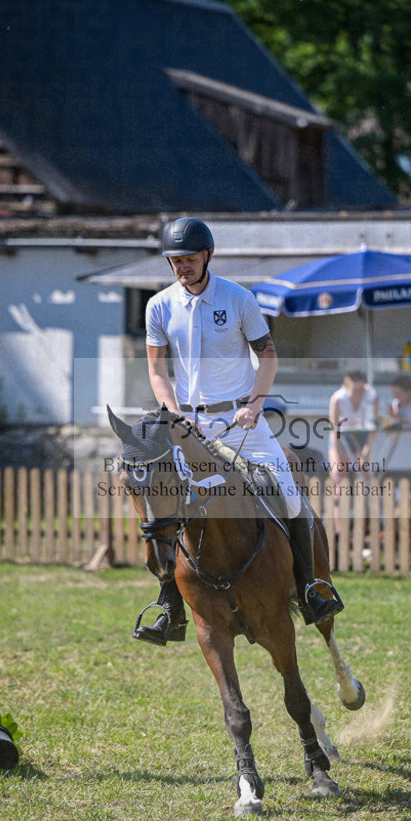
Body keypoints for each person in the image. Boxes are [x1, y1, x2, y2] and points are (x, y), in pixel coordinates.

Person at [135, 216, 342, 646]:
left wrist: (255, 403)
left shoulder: (238, 298)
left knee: (287, 491)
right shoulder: (159, 306)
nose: (182, 267)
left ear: (208, 255)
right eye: (175, 261)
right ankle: (168, 606)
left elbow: (267, 355)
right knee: (163, 505)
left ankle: (309, 590)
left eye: (189, 259)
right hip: (186, 423)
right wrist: (173, 414)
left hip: (239, 420)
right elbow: (156, 370)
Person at [328, 370, 379, 528]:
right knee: (339, 480)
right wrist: (338, 456)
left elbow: (374, 427)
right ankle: (339, 530)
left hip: (361, 437)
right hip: (342, 438)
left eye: (362, 390)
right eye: (356, 390)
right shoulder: (338, 399)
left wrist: (367, 451)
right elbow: (334, 430)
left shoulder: (372, 397)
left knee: (362, 481)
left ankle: (361, 530)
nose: (360, 393)